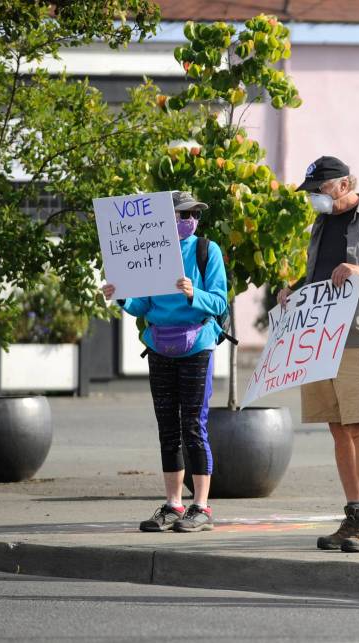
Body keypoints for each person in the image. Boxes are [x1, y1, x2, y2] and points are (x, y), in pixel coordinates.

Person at [279, 156, 359, 553]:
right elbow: (320, 275)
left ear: (344, 184)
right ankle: (354, 514)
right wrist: (294, 289)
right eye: (311, 192)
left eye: (319, 190)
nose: (314, 199)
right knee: (337, 428)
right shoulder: (321, 224)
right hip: (320, 339)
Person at [102, 190, 228, 533]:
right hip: (160, 345)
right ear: (164, 221)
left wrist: (193, 293)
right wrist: (121, 297)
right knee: (167, 427)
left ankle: (201, 506)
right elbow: (142, 307)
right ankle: (173, 503)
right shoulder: (151, 252)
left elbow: (219, 303)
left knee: (193, 424)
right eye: (182, 214)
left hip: (197, 345)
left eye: (193, 215)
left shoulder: (207, 250)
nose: (190, 220)